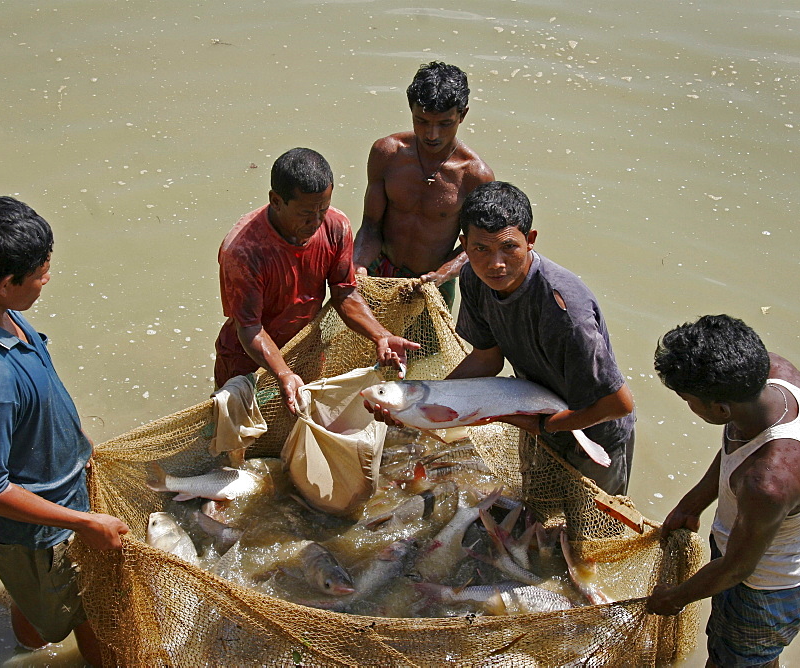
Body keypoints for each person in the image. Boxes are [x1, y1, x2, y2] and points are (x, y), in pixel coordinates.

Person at [0, 197, 128, 667]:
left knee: (31, 595)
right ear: (5, 284)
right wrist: (87, 522)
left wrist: (75, 435)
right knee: (92, 612)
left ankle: (29, 646)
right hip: (39, 529)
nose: (45, 282)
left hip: (46, 503)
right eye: (41, 275)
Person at [366, 181, 636, 495]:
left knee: (590, 534)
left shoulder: (565, 314)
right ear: (464, 246)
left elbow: (619, 403)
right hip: (535, 412)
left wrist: (545, 426)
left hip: (596, 428)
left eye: (509, 247)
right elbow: (487, 359)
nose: (496, 263)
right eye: (481, 248)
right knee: (539, 522)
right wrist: (420, 403)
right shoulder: (475, 278)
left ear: (530, 240)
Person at [647, 315, 800, 668]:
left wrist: (673, 598)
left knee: (731, 661)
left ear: (720, 409)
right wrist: (696, 500)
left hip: (768, 591)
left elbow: (736, 569)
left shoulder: (768, 481)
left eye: (689, 400)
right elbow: (739, 447)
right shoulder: (774, 375)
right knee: (756, 660)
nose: (689, 407)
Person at [215, 147, 419, 414]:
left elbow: (344, 294)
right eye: (305, 213)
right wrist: (283, 374)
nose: (316, 221)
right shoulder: (243, 251)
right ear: (276, 201)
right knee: (237, 438)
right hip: (247, 359)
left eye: (322, 209)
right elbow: (249, 328)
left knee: (298, 428)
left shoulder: (336, 226)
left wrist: (381, 335)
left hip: (305, 350)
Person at [353, 61, 494, 308]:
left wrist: (443, 274)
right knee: (363, 342)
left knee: (424, 348)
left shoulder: (475, 176)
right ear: (410, 110)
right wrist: (358, 265)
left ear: (463, 115)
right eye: (422, 121)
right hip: (379, 268)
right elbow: (371, 225)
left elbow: (477, 245)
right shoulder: (387, 153)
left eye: (444, 123)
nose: (432, 134)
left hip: (431, 282)